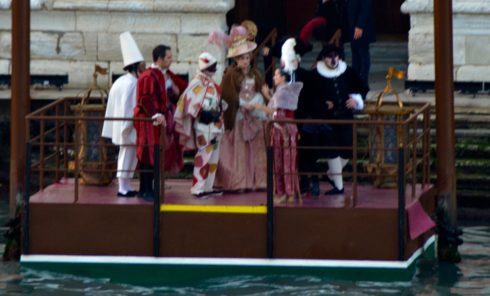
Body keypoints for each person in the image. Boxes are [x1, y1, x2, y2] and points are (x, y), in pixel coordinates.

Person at [211, 25, 270, 192]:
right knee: (241, 150)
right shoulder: (230, 75)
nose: (245, 61)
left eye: (247, 57)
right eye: (242, 58)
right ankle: (240, 182)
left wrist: (256, 102)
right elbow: (228, 96)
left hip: (255, 115)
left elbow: (261, 90)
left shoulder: (256, 74)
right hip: (238, 115)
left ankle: (258, 181)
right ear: (236, 59)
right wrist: (243, 105)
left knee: (257, 149)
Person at [309, 44, 368, 195]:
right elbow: (311, 96)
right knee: (332, 151)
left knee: (348, 151)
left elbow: (362, 87)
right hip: (327, 119)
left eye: (335, 56)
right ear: (324, 59)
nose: (333, 59)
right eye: (329, 57)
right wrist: (322, 104)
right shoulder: (316, 75)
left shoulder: (347, 71)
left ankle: (332, 174)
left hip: (346, 116)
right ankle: (339, 187)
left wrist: (357, 100)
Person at [134, 45, 187, 200]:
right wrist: (156, 114)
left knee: (153, 155)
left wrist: (174, 93)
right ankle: (146, 190)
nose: (171, 60)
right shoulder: (149, 75)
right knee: (149, 155)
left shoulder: (163, 75)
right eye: (169, 57)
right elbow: (146, 98)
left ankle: (147, 189)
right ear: (160, 59)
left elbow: (162, 95)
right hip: (149, 122)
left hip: (157, 122)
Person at [174, 52, 227, 198]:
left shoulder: (211, 83)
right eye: (213, 66)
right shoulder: (197, 82)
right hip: (204, 126)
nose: (215, 69)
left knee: (213, 158)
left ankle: (208, 186)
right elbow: (186, 100)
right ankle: (197, 188)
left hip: (216, 125)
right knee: (203, 156)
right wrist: (200, 111)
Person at [102, 31, 146, 198]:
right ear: (136, 66)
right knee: (127, 156)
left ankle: (125, 186)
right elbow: (131, 108)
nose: (144, 66)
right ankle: (123, 186)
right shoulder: (133, 83)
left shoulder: (121, 81)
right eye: (141, 64)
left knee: (126, 155)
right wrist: (129, 126)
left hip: (121, 124)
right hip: (128, 125)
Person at [255, 68, 303, 204]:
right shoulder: (282, 91)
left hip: (285, 131)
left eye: (276, 75)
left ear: (283, 78)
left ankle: (287, 192)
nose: (274, 77)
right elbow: (278, 106)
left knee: (285, 162)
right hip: (282, 130)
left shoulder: (283, 91)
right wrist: (268, 96)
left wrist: (260, 106)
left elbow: (277, 112)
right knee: (280, 162)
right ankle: (284, 191)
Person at [343, 0, 376, 86]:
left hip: (361, 28)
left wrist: (360, 25)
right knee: (355, 55)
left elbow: (365, 7)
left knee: (362, 54)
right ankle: (356, 80)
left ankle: (363, 82)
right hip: (352, 26)